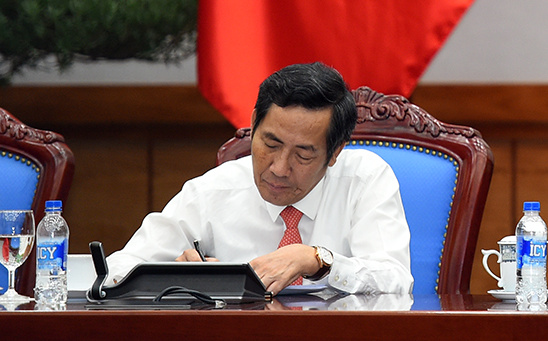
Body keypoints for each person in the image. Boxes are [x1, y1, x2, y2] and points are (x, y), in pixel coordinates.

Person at [106, 62, 412, 295]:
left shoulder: (364, 180)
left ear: (335, 154)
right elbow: (116, 271)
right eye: (270, 144)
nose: (279, 168)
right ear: (253, 124)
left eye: (303, 155)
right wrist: (171, 276)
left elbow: (395, 280)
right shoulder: (214, 190)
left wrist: (317, 260)